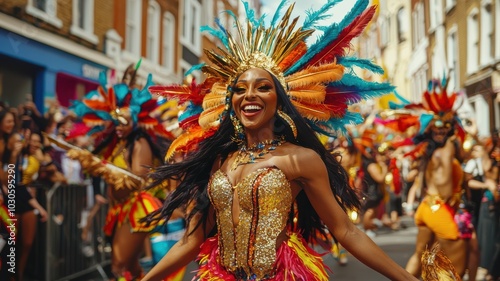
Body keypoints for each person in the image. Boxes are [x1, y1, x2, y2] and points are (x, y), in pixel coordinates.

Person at [143, 1, 418, 280]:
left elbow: (345, 230)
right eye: (240, 89)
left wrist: (406, 278)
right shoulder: (221, 160)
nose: (249, 95)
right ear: (232, 102)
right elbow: (190, 242)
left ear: (280, 101)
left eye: (263, 88)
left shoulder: (300, 159)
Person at [68, 71, 174, 280]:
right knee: (131, 265)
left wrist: (104, 168)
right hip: (119, 208)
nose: (119, 127)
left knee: (117, 264)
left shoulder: (139, 142)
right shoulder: (118, 144)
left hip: (135, 208)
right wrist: (92, 164)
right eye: (116, 121)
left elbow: (137, 179)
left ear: (134, 121)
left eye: (124, 122)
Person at [405, 79, 469, 278]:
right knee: (457, 251)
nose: (441, 129)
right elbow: (446, 187)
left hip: (426, 207)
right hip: (438, 207)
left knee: (421, 255)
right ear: (429, 129)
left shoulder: (431, 153)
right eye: (437, 126)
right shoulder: (445, 150)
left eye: (446, 126)